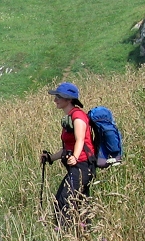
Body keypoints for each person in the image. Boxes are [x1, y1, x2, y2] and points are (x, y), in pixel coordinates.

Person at [40, 82, 95, 228]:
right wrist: (51, 158)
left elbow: (80, 139)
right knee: (78, 203)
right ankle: (83, 233)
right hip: (78, 166)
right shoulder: (70, 117)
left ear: (69, 99)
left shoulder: (78, 116)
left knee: (64, 202)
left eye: (58, 96)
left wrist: (75, 157)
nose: (55, 99)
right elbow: (67, 148)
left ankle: (65, 233)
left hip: (82, 166)